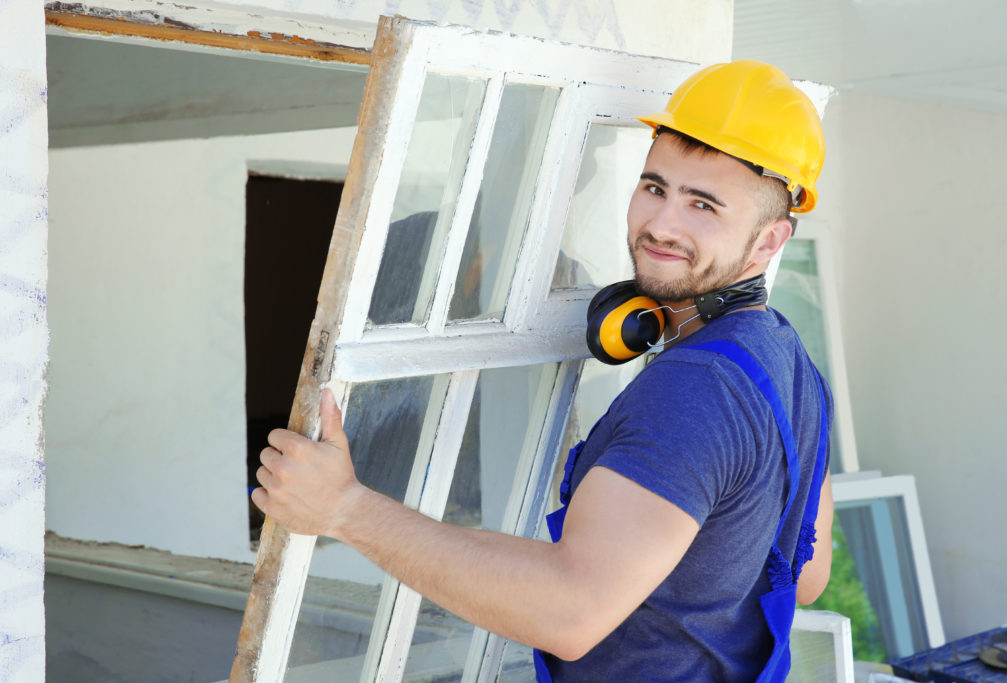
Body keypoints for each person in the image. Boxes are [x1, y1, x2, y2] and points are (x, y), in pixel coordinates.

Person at [250, 59, 834, 682]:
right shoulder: (787, 362)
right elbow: (808, 576)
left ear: (770, 241)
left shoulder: (696, 391)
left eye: (704, 205)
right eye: (655, 187)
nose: (662, 224)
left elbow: (569, 614)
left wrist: (346, 510)